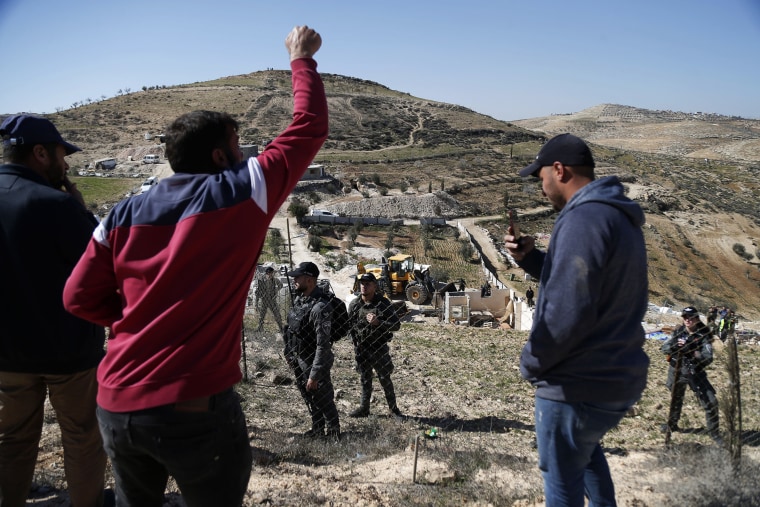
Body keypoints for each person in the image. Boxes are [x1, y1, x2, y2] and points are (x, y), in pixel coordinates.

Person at [62, 25, 328, 506]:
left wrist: (133, 319)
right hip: (192, 409)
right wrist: (301, 59)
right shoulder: (240, 191)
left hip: (115, 402)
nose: (245, 152)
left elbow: (77, 297)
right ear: (220, 154)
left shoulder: (121, 212)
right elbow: (308, 127)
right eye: (239, 144)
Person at [504, 133, 649, 507]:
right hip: (613, 375)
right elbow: (585, 285)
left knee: (561, 483)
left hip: (576, 382)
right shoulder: (613, 214)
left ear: (559, 170)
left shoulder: (583, 219)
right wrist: (530, 259)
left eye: (541, 179)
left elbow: (568, 310)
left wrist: (531, 362)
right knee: (584, 457)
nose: (542, 189)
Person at [0, 115, 109, 506]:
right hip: (70, 354)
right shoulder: (58, 204)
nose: (65, 165)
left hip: (7, 355)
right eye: (61, 155)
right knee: (82, 436)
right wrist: (81, 212)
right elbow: (101, 264)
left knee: (12, 437)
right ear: (40, 152)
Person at [283, 261, 341, 441]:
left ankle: (333, 434)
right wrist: (289, 352)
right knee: (309, 395)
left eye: (297, 278)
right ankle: (317, 428)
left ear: (309, 280)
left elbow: (323, 345)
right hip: (299, 356)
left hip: (313, 359)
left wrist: (314, 374)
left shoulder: (320, 308)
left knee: (323, 396)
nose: (294, 281)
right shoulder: (301, 300)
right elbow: (291, 329)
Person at [346, 273, 402, 419]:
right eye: (362, 283)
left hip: (379, 348)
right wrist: (354, 343)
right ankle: (364, 409)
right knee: (365, 379)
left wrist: (379, 323)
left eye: (367, 283)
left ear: (374, 285)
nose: (364, 286)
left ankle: (393, 410)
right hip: (362, 349)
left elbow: (396, 325)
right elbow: (350, 326)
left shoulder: (383, 304)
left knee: (385, 378)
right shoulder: (355, 304)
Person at [661, 307, 721, 442]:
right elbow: (664, 348)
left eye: (691, 317)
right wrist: (674, 346)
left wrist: (692, 350)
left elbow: (708, 357)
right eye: (685, 317)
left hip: (695, 372)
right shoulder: (677, 332)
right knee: (676, 398)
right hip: (676, 370)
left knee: (711, 401)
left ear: (696, 319)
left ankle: (714, 432)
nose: (688, 319)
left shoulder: (703, 335)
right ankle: (672, 424)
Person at [256, 266, 284, 332]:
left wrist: (276, 290)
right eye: (269, 273)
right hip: (264, 300)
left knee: (277, 314)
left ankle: (281, 328)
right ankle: (260, 328)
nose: (270, 275)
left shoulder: (274, 280)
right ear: (267, 273)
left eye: (272, 273)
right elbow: (258, 291)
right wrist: (256, 303)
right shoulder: (262, 280)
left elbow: (281, 285)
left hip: (272, 300)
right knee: (261, 315)